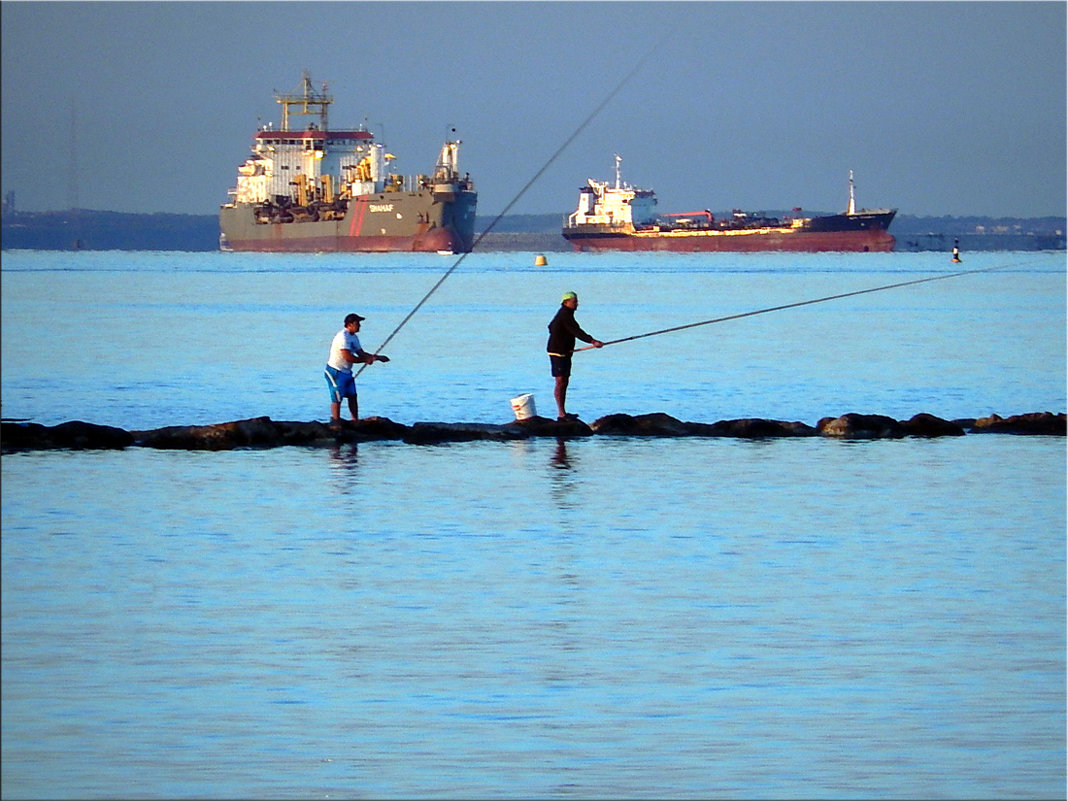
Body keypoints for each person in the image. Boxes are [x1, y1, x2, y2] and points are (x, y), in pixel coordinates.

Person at [546, 291, 603, 421]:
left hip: (565, 352)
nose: (577, 304)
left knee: (565, 381)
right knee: (560, 381)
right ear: (566, 302)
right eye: (574, 301)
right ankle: (561, 414)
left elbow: (551, 326)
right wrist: (593, 341)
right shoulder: (564, 315)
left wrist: (566, 342)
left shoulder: (566, 314)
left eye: (576, 301)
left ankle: (563, 412)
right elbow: (576, 331)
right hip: (558, 352)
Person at [324, 313, 389, 423]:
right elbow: (347, 356)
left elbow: (360, 353)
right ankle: (336, 421)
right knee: (337, 397)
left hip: (347, 372)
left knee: (352, 395)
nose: (359, 326)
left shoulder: (354, 337)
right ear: (349, 324)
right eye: (357, 323)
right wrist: (364, 360)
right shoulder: (342, 337)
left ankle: (355, 420)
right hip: (335, 371)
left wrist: (376, 358)